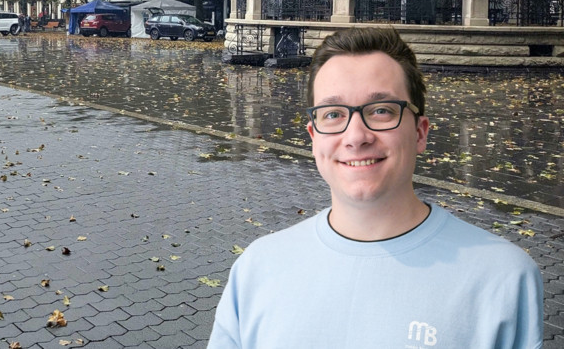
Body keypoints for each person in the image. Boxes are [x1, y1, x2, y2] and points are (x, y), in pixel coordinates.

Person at [207, 27, 543, 349]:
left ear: (420, 132)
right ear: (314, 138)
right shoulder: (257, 269)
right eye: (333, 114)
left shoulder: (502, 279)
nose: (356, 137)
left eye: (381, 110)